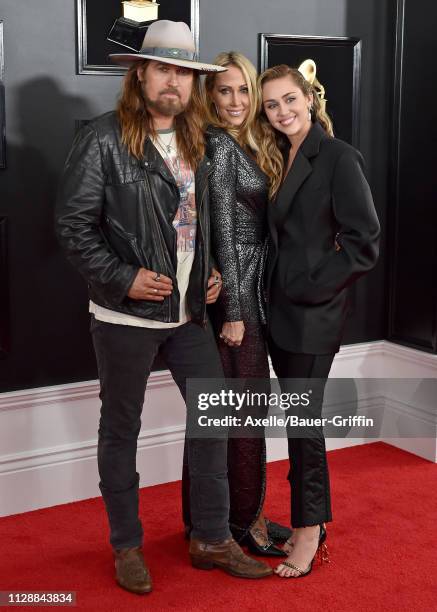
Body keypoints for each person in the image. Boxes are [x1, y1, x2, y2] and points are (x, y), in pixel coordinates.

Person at [56, 20, 273, 595]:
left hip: (189, 316)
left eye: (183, 72)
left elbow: (197, 226)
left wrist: (210, 274)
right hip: (125, 317)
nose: (173, 82)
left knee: (214, 417)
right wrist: (123, 278)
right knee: (121, 429)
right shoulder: (104, 138)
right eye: (163, 70)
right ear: (141, 75)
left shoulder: (201, 140)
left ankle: (209, 537)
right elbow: (73, 227)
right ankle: (126, 546)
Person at [259, 64, 380, 578]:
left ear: (310, 98)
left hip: (312, 316)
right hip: (276, 313)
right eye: (272, 105)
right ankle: (302, 518)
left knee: (305, 426)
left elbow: (363, 243)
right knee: (295, 421)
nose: (282, 111)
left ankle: (310, 527)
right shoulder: (274, 155)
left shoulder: (337, 156)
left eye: (290, 100)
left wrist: (309, 285)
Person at [181, 51, 290, 556]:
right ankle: (241, 526)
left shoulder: (248, 143)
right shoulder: (219, 146)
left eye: (243, 90)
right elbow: (223, 231)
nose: (235, 101)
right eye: (224, 91)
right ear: (210, 96)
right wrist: (238, 315)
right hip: (236, 302)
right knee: (240, 416)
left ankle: (213, 520)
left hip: (247, 290)